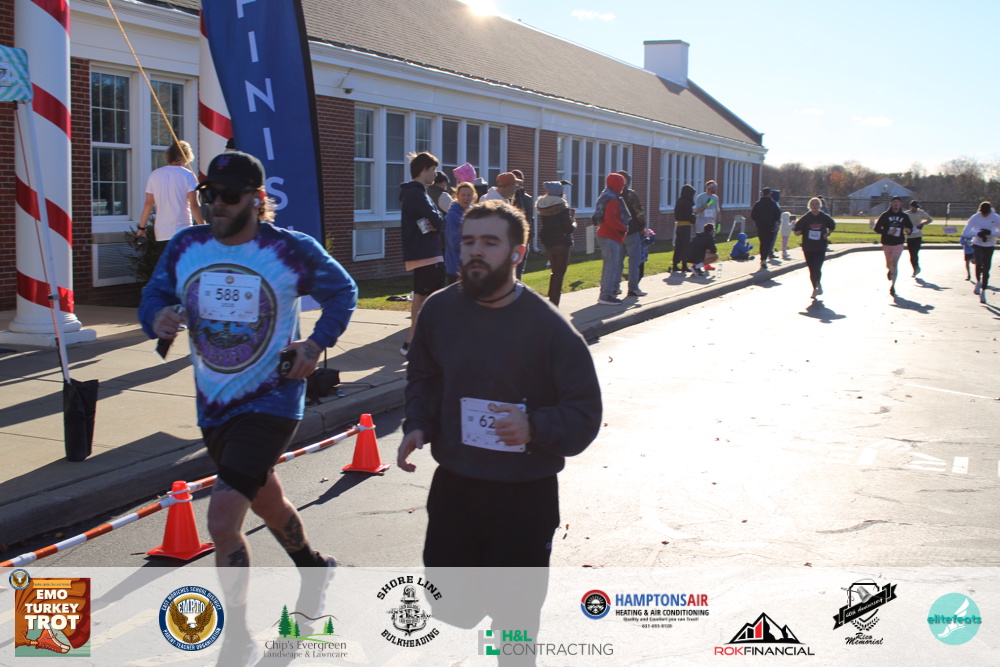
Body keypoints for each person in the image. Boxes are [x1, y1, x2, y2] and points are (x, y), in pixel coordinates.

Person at [138, 152, 356, 658]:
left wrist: (314, 344)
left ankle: (236, 638)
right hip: (213, 404)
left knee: (221, 521)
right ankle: (314, 567)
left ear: (257, 200)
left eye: (228, 196)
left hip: (272, 401)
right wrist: (157, 318)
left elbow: (343, 292)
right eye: (208, 194)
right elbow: (153, 294)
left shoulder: (289, 250)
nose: (216, 203)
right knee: (265, 500)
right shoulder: (187, 246)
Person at [397, 199, 602, 568]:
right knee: (448, 599)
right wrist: (417, 423)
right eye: (468, 241)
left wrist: (533, 426)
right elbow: (424, 377)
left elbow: (584, 414)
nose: (475, 251)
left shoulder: (550, 328)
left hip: (523, 496)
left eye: (490, 243)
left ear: (517, 254)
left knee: (511, 605)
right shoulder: (439, 311)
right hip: (454, 488)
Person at [400, 152, 446, 356]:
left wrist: (436, 222)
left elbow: (435, 220)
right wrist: (437, 222)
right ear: (424, 170)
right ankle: (419, 343)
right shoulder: (416, 193)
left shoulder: (414, 192)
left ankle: (412, 342)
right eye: (433, 169)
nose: (436, 174)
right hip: (427, 253)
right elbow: (437, 220)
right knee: (433, 300)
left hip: (422, 253)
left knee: (420, 297)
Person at [137, 139, 204, 246]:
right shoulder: (188, 175)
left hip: (162, 233)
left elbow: (149, 204)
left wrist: (141, 228)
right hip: (183, 230)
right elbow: (194, 205)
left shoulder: (154, 175)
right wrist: (203, 227)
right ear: (186, 156)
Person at [536, 180, 576, 306]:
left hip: (548, 242)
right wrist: (574, 222)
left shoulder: (543, 205)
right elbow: (568, 228)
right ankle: (554, 302)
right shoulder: (562, 206)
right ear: (559, 192)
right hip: (562, 242)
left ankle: (551, 299)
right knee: (559, 273)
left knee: (554, 271)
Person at [594, 172, 630, 305]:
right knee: (611, 266)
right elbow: (610, 218)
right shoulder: (613, 199)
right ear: (617, 184)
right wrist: (623, 227)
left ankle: (607, 292)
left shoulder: (605, 196)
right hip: (610, 235)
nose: (623, 187)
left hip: (605, 235)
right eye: (622, 184)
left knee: (609, 266)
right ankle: (605, 295)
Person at [794, 197, 836, 298]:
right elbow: (797, 229)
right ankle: (815, 288)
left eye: (817, 204)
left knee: (817, 267)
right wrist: (798, 232)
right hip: (808, 247)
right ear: (809, 206)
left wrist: (828, 234)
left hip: (820, 247)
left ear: (820, 206)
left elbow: (832, 225)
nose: (814, 206)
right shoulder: (806, 217)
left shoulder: (824, 217)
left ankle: (818, 284)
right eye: (812, 204)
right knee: (811, 269)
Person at [873, 196, 913, 296]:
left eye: (898, 202)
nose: (896, 204)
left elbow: (910, 227)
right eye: (894, 202)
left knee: (895, 263)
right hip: (887, 242)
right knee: (889, 264)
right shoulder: (885, 215)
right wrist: (887, 232)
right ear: (891, 204)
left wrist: (908, 230)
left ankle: (893, 286)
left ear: (901, 204)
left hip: (898, 243)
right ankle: (890, 270)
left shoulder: (904, 216)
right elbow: (877, 228)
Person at [617, 170, 648, 297]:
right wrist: (642, 227)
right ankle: (633, 287)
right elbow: (639, 212)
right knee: (634, 260)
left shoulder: (611, 194)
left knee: (618, 261)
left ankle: (615, 287)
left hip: (617, 232)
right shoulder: (630, 195)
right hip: (631, 230)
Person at [962, 201, 1000, 303]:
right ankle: (978, 282)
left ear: (989, 211)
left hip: (990, 245)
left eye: (986, 212)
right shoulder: (975, 217)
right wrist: (977, 233)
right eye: (982, 212)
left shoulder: (996, 218)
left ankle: (983, 291)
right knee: (978, 263)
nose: (984, 214)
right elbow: (965, 232)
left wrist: (991, 232)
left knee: (986, 268)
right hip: (978, 244)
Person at [444, 181, 477, 283]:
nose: (466, 198)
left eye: (469, 195)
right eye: (463, 195)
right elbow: (454, 242)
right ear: (457, 196)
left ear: (473, 196)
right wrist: (473, 243)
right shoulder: (452, 216)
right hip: (456, 266)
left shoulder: (475, 214)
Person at [510, 169, 535, 280]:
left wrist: (531, 233)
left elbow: (530, 217)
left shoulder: (527, 199)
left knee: (519, 270)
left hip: (524, 238)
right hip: (511, 238)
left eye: (519, 180)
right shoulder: (508, 198)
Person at [750, 187, 781, 270]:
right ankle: (764, 259)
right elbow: (778, 215)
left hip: (760, 226)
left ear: (762, 194)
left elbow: (753, 215)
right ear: (770, 194)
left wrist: (758, 221)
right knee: (768, 243)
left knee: (762, 242)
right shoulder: (773, 204)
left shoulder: (758, 204)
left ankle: (762, 259)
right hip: (770, 226)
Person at [672, 184, 696, 272]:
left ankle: (675, 264)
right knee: (686, 246)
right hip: (686, 226)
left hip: (679, 226)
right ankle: (684, 265)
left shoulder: (679, 201)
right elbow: (689, 216)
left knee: (678, 245)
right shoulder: (687, 203)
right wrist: (694, 218)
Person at [905, 200, 933, 276]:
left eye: (917, 207)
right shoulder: (906, 214)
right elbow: (903, 223)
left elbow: (930, 219)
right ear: (911, 207)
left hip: (917, 236)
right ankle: (915, 268)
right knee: (911, 254)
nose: (916, 209)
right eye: (914, 207)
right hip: (910, 236)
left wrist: (922, 224)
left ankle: (916, 267)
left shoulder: (920, 212)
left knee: (915, 252)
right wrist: (906, 228)